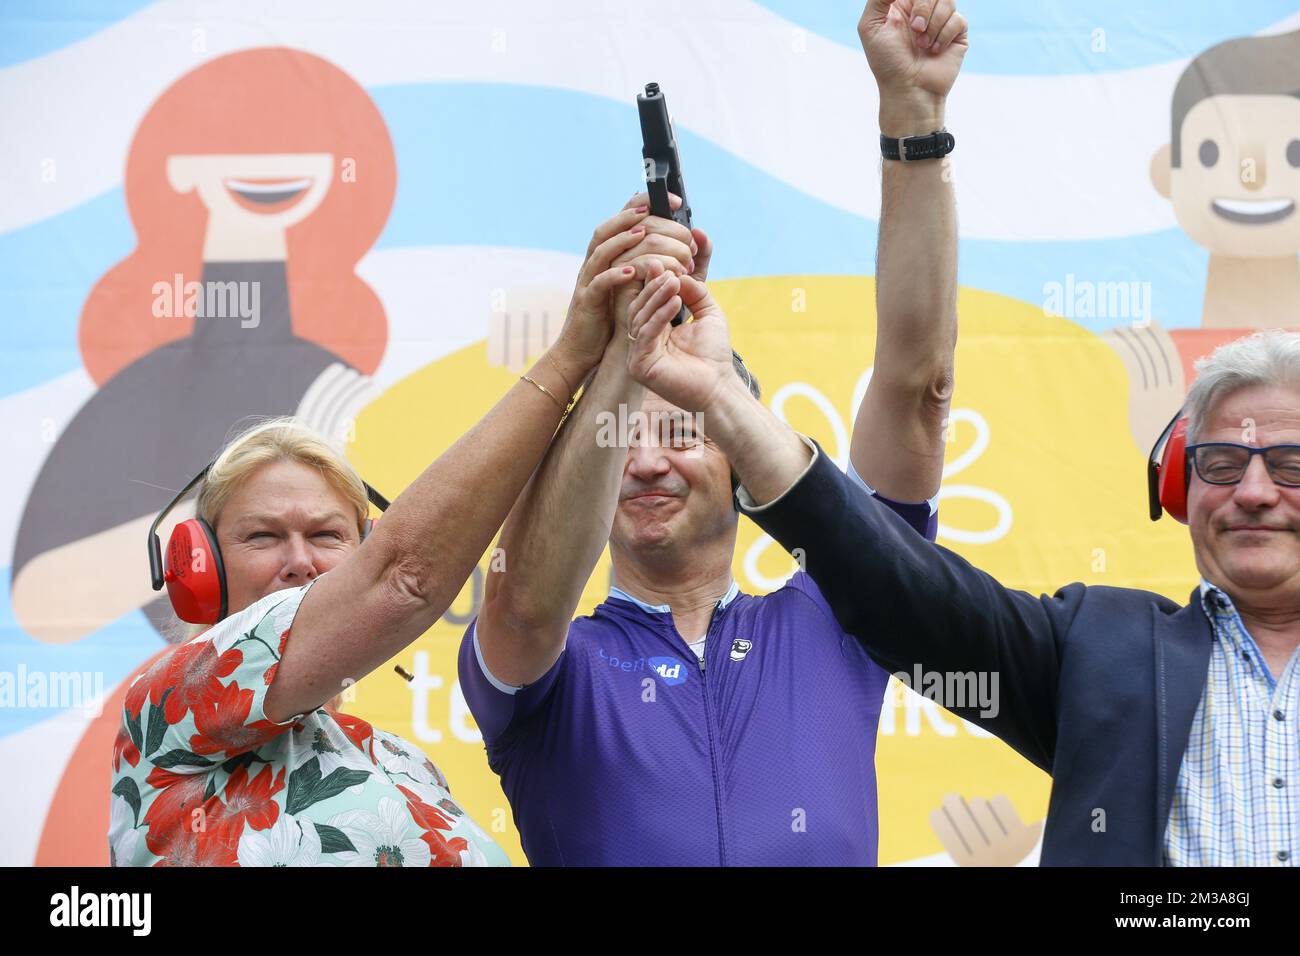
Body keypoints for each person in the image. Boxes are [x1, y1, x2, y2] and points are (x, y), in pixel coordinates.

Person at [462, 0, 968, 865]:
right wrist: (628, 344)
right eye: (624, 438)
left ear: (744, 457)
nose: (649, 460)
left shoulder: (840, 620)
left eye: (687, 429)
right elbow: (523, 601)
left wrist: (913, 119)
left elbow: (918, 385)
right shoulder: (553, 668)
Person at [627, 244, 1300, 863]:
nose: (1254, 492)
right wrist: (718, 399)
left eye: (1290, 464)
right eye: (1220, 463)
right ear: (1181, 482)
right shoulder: (1105, 647)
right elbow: (894, 583)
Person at [107, 204, 683, 866]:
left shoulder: (406, 768)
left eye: (327, 535)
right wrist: (572, 351)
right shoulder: (169, 703)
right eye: (262, 536)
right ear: (198, 569)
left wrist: (624, 353)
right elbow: (404, 578)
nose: (299, 562)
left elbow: (520, 591)